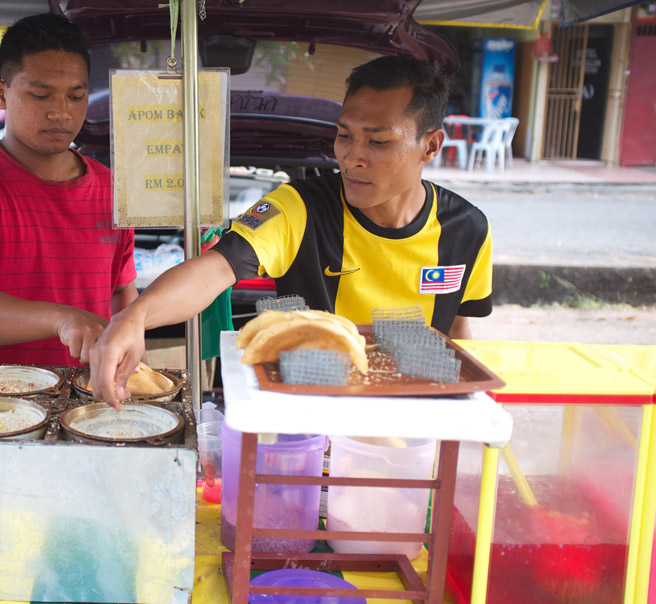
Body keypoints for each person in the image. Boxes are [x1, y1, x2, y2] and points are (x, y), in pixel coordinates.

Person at [89, 55, 493, 407]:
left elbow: (458, 331)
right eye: (344, 135)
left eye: (379, 141)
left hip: (414, 426)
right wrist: (136, 315)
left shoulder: (467, 230)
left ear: (431, 145)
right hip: (311, 418)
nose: (352, 157)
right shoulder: (298, 207)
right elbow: (214, 269)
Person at [0, 13, 138, 366]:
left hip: (85, 403)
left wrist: (129, 349)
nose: (61, 113)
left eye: (76, 96)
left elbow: (121, 292)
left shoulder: (112, 188)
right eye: (40, 95)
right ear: (0, 93)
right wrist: (58, 318)